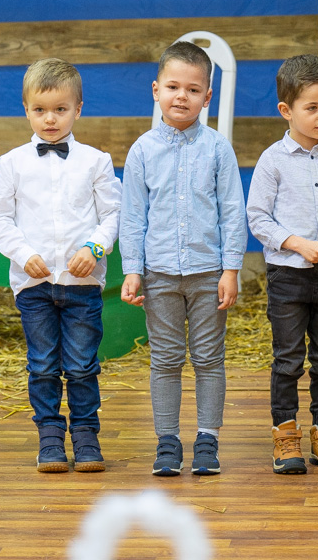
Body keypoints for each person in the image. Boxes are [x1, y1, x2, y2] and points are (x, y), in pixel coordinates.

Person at [0, 58, 121, 473]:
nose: (50, 119)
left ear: (78, 108)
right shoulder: (12, 163)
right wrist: (25, 255)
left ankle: (85, 435)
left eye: (60, 109)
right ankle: (48, 437)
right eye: (40, 110)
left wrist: (95, 248)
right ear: (25, 109)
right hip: (34, 285)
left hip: (82, 285)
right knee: (42, 363)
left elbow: (113, 214)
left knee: (81, 364)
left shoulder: (95, 161)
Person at [120, 41, 248, 476]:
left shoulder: (217, 149)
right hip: (158, 274)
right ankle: (167, 441)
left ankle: (208, 439)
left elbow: (232, 210)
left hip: (208, 272)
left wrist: (231, 269)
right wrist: (132, 270)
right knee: (166, 358)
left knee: (209, 358)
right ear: (155, 89)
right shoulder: (141, 151)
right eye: (172, 86)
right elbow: (133, 215)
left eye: (193, 89)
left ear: (207, 97)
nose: (181, 96)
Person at [246, 54, 318, 475]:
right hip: (288, 278)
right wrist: (297, 243)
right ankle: (285, 433)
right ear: (287, 110)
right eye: (312, 107)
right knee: (288, 359)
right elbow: (257, 217)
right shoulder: (272, 160)